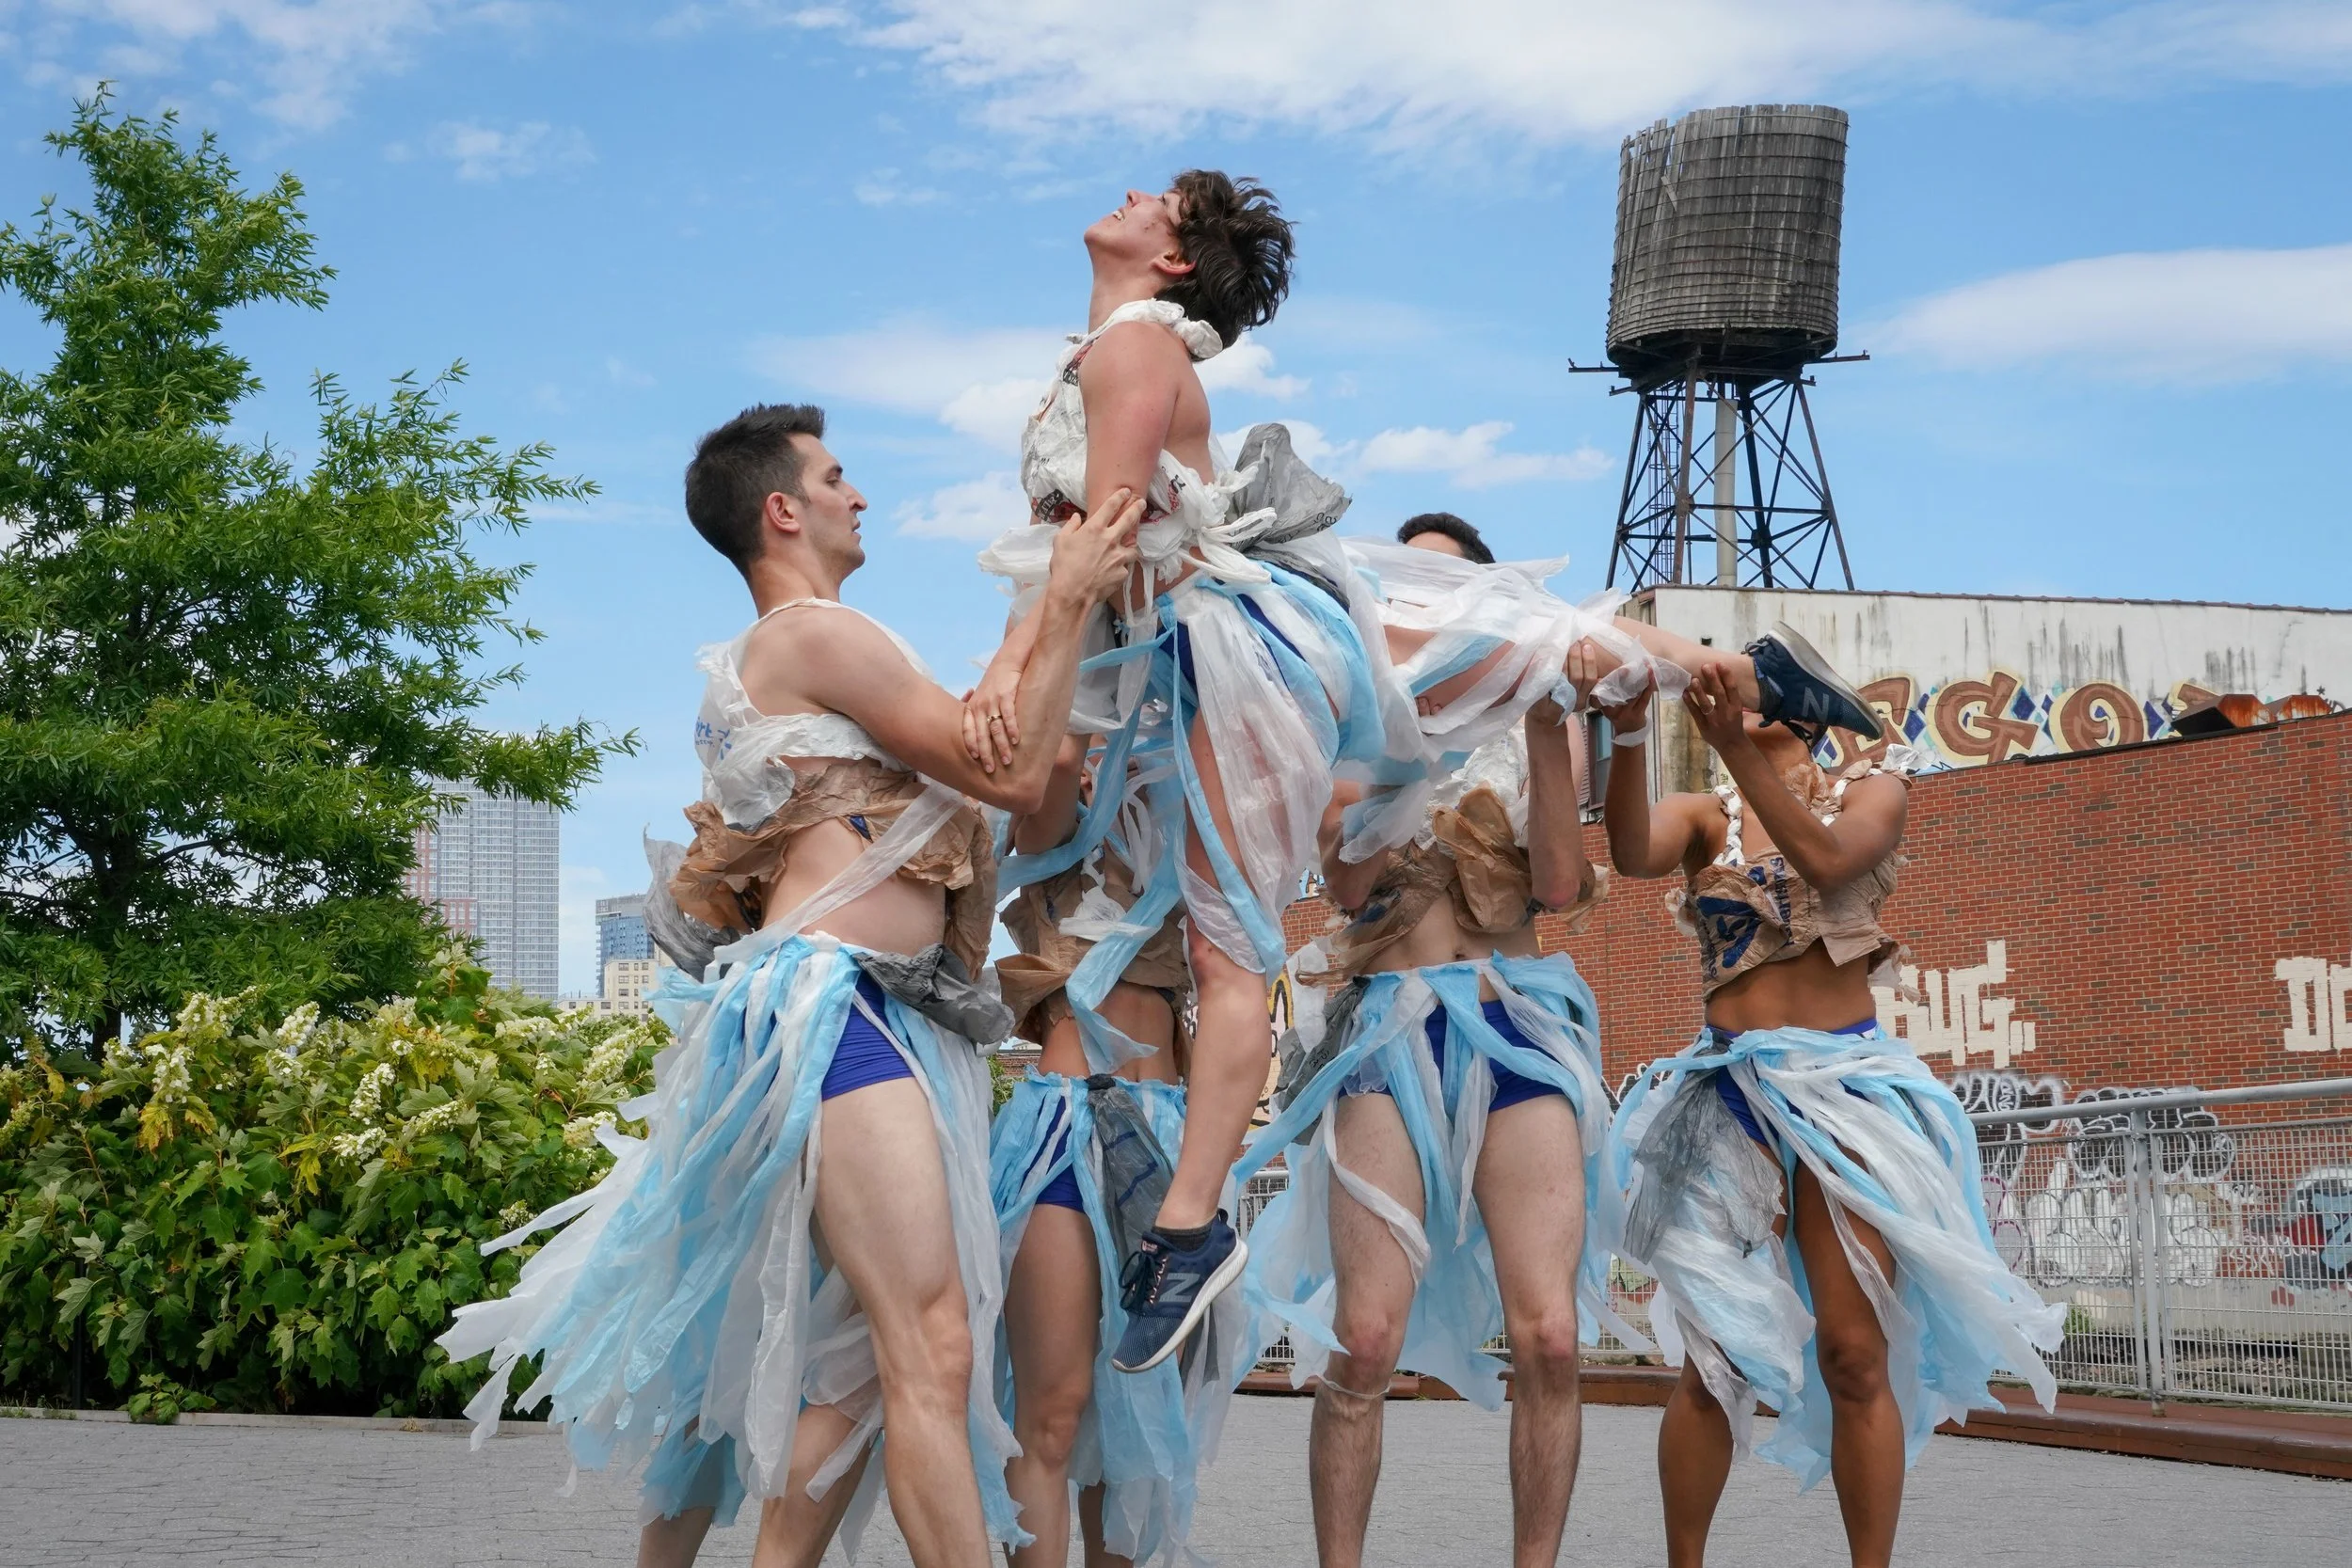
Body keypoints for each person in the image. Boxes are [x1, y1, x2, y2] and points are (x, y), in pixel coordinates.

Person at [962, 173, 1889, 1376]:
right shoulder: (1106, 350)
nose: (1131, 192)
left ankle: (1189, 1228)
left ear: (1177, 261)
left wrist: (1007, 660)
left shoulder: (1132, 349)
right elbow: (1081, 552)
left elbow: (1099, 534)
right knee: (1508, 639)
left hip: (1228, 650)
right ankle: (1742, 668)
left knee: (1248, 918)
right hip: (1190, 656)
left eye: (1161, 199)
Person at [435, 404, 1143, 1568]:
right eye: (835, 476)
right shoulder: (816, 632)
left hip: (887, 1017)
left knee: (866, 1352)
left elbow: (996, 730)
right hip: (839, 1011)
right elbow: (1008, 770)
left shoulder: (825, 653)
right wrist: (1062, 596)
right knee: (926, 1341)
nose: (857, 494)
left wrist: (1041, 595)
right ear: (783, 509)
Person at [1231, 518, 1637, 1568]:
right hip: (1389, 1023)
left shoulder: (1534, 711)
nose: (1429, 607)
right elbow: (1353, 887)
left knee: (1548, 1333)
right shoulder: (1354, 722)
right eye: (1408, 590)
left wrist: (1549, 719)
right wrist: (1382, 761)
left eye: (1451, 588)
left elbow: (1554, 884)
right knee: (1363, 1340)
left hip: (1516, 1018)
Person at [1599, 664, 2061, 1568]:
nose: (1722, 693)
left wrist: (1735, 741)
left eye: (1747, 685)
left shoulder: (1875, 791)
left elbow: (1827, 859)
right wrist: (1623, 730)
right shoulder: (1705, 817)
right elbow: (1623, 850)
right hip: (1727, 1096)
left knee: (1854, 1351)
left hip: (1845, 1092)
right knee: (1713, 1361)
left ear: (1800, 708)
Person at [989, 730, 1238, 1567]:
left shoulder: (1184, 805)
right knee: (1055, 1408)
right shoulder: (1052, 792)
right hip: (1068, 1125)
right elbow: (1054, 761)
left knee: (1133, 1412)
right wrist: (1096, 707)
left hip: (1172, 1123)